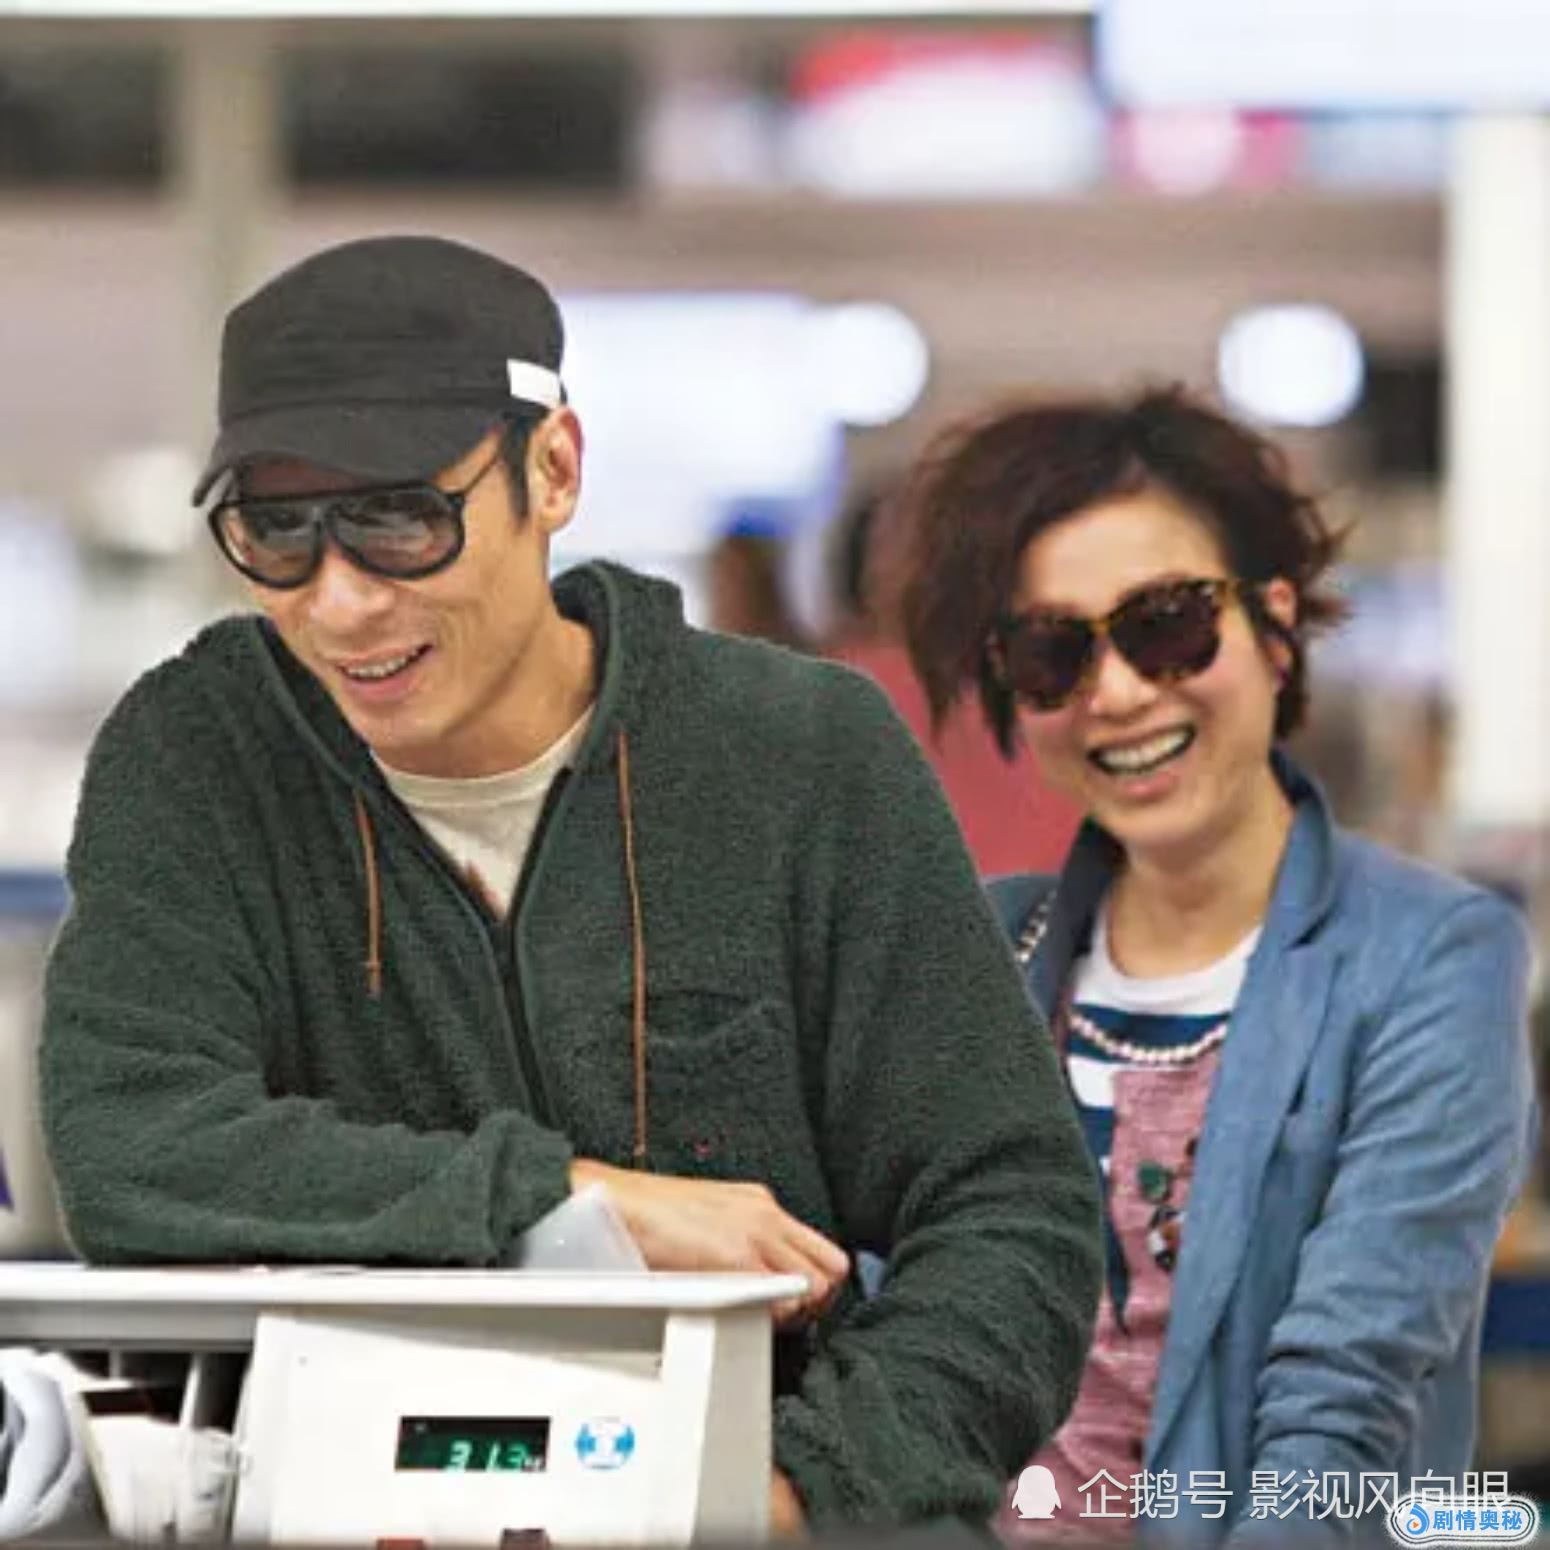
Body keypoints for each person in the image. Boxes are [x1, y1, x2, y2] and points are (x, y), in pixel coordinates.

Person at [38, 235, 1102, 1533]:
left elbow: (1010, 1208)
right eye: (278, 533)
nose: (341, 601)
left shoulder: (798, 754)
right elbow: (136, 1146)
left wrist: (785, 1487)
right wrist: (562, 1198)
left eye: (400, 521)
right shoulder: (200, 757)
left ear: (552, 470)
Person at [895, 385, 1536, 1545]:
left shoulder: (1429, 955)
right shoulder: (980, 946)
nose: (1117, 691)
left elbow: (1346, 1400)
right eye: (1050, 652)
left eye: (1166, 624)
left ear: (1273, 625)